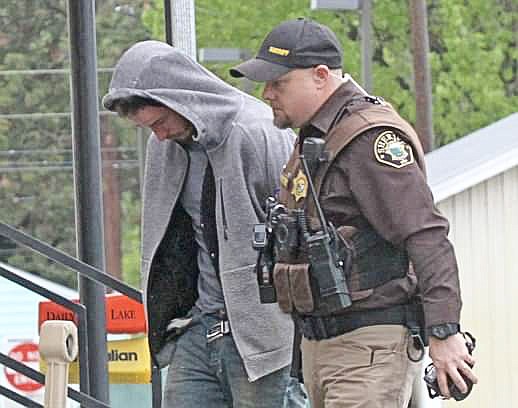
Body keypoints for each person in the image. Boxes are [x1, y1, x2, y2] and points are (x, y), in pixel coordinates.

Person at [230, 18, 478, 408]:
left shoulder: (367, 138)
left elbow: (426, 234)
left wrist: (444, 333)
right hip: (324, 346)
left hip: (368, 347)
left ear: (320, 75)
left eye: (279, 83)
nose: (267, 94)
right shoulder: (315, 139)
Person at [102, 40, 308, 408]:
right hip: (198, 328)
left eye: (161, 122)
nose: (159, 134)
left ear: (183, 99)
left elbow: (301, 228)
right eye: (149, 128)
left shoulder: (258, 132)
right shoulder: (163, 148)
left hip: (265, 338)